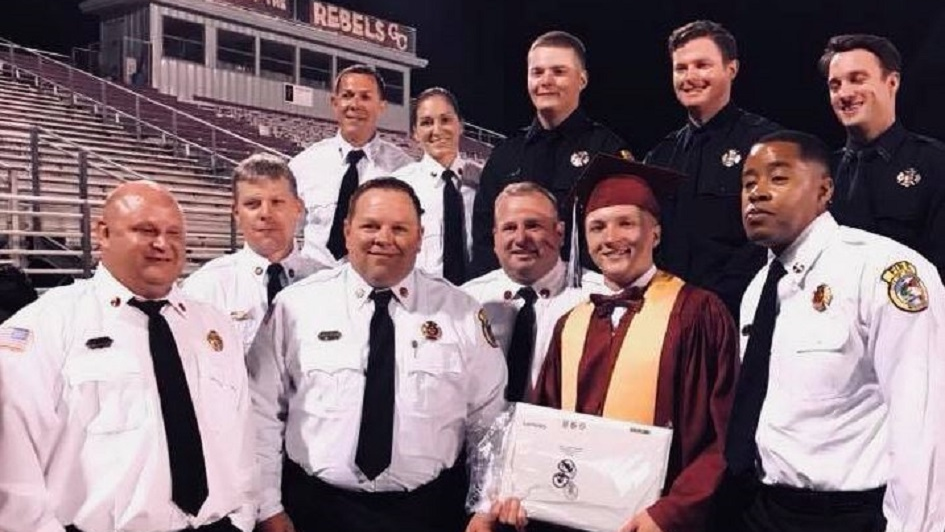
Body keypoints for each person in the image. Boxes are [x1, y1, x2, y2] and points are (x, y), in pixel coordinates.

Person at [471, 155, 739, 532]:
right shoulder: (573, 322)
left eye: (626, 224)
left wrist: (672, 512)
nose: (610, 239)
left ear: (655, 233)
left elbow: (725, 434)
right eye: (597, 227)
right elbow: (542, 425)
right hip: (570, 521)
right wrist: (511, 493)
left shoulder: (698, 313)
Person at [249, 178, 507, 532]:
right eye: (370, 226)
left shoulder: (461, 313)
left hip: (427, 512)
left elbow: (489, 419)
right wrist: (267, 507)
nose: (383, 238)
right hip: (314, 510)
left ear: (420, 237)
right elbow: (262, 413)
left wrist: (484, 506)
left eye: (399, 228)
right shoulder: (296, 306)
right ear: (347, 230)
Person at [0, 181, 255, 532]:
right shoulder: (46, 326)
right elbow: (12, 466)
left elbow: (240, 432)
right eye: (145, 230)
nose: (163, 244)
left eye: (174, 233)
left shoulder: (213, 326)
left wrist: (242, 516)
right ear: (103, 233)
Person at [725, 130, 945, 531]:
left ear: (825, 191)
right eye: (747, 182)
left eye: (777, 177)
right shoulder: (758, 289)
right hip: (763, 508)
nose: (756, 193)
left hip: (848, 516)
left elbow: (924, 426)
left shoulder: (881, 270)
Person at [645, 20, 780, 316]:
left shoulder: (765, 144)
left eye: (702, 65)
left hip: (738, 310)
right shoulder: (660, 155)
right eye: (681, 68)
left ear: (731, 69)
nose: (690, 77)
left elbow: (772, 235)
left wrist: (711, 301)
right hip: (667, 311)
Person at [470, 30, 630, 277]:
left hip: (583, 296)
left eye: (558, 71)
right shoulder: (505, 154)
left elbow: (621, 237)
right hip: (513, 299)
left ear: (582, 80)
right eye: (537, 72)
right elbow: (484, 240)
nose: (546, 80)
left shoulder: (607, 151)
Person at [819, 33, 945, 278]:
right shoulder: (821, 171)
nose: (844, 93)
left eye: (857, 79)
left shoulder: (935, 165)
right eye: (835, 85)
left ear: (892, 82)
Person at [462, 181, 591, 402]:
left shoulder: (596, 299)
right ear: (495, 238)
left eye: (533, 226)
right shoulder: (467, 300)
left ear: (560, 233)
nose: (521, 239)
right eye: (509, 228)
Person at [184, 153, 321, 353]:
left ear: (298, 208)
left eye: (277, 202)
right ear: (237, 214)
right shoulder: (205, 289)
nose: (265, 213)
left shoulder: (330, 285)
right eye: (252, 204)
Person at [289, 64, 413, 267]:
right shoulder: (303, 165)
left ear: (382, 106)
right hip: (316, 286)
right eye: (347, 95)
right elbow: (287, 233)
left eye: (365, 97)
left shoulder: (404, 171)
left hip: (377, 286)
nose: (355, 104)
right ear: (334, 102)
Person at [393, 87, 481, 284]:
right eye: (426, 123)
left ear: (461, 125)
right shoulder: (399, 187)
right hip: (420, 301)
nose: (437, 130)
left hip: (478, 298)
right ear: (415, 133)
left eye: (445, 120)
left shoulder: (484, 181)